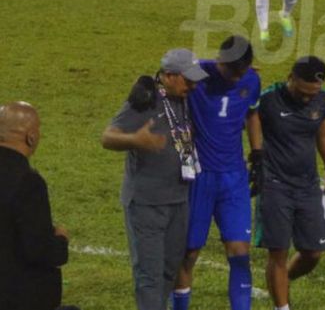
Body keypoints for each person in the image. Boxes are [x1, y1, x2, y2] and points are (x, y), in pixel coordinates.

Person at [101, 49, 208, 310]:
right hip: (147, 203)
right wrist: (134, 140)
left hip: (178, 200)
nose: (193, 86)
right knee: (149, 276)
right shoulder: (144, 100)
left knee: (169, 271)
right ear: (169, 76)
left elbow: (213, 67)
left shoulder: (182, 95)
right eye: (187, 79)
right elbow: (108, 137)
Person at [172, 36, 262, 310]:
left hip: (233, 177)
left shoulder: (251, 80)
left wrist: (258, 152)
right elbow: (166, 85)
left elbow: (252, 114)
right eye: (231, 71)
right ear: (221, 61)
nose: (236, 78)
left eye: (241, 72)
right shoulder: (196, 76)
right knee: (188, 253)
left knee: (239, 252)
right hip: (199, 177)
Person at [252, 56, 325, 310]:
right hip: (274, 184)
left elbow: (322, 133)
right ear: (290, 78)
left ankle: (282, 281)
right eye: (302, 92)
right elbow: (248, 119)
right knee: (278, 251)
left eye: (312, 93)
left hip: (308, 185)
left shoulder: (321, 101)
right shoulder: (268, 100)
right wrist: (256, 158)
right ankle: (282, 306)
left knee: (313, 252)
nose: (306, 98)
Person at [0, 102, 75, 310]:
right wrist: (60, 240)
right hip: (17, 297)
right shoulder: (27, 182)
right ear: (31, 136)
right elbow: (38, 249)